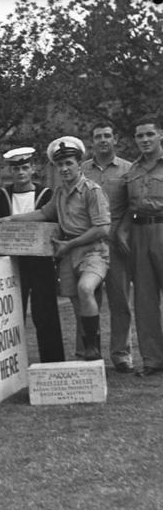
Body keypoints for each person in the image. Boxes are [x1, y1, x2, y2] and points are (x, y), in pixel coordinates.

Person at [0, 136, 110, 362]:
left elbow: (102, 228)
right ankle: (87, 353)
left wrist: (71, 244)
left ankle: (93, 347)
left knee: (86, 289)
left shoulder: (92, 190)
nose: (64, 168)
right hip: (68, 255)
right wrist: (11, 219)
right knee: (78, 305)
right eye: (60, 164)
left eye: (69, 163)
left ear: (79, 164)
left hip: (92, 251)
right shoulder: (60, 192)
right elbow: (43, 213)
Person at [0, 147, 64, 363]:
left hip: (41, 263)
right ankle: (13, 364)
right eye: (16, 169)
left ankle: (52, 363)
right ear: (10, 171)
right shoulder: (2, 197)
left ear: (33, 168)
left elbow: (54, 224)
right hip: (12, 265)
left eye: (24, 167)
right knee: (11, 315)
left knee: (45, 314)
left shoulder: (47, 195)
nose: (21, 172)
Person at [80, 122, 134, 372]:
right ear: (92, 141)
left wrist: (123, 230)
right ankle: (89, 351)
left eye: (107, 136)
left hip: (116, 242)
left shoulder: (128, 169)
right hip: (89, 243)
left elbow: (134, 204)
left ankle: (121, 354)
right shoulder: (81, 170)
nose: (103, 140)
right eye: (98, 136)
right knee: (87, 295)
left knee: (119, 299)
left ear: (115, 139)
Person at [117, 114, 163, 377]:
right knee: (145, 299)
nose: (145, 139)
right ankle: (153, 360)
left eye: (149, 134)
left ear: (160, 135)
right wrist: (123, 229)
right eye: (140, 135)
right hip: (138, 233)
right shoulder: (132, 170)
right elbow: (129, 206)